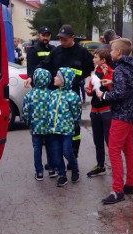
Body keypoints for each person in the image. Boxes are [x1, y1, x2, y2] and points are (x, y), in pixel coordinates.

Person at [39, 24, 95, 169]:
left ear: (72, 38)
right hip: (56, 94)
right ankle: (56, 160)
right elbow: (45, 65)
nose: (62, 42)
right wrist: (33, 76)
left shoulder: (82, 52)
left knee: (74, 127)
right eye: (60, 39)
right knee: (56, 126)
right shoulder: (56, 51)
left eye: (65, 39)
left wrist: (82, 77)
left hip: (73, 93)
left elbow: (91, 66)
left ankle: (73, 157)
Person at [94, 38, 133, 205]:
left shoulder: (120, 69)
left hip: (120, 115)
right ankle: (132, 184)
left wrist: (104, 95)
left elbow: (119, 94)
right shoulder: (130, 66)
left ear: (119, 52)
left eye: (112, 50)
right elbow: (128, 87)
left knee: (114, 150)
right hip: (129, 113)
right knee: (129, 149)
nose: (110, 52)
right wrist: (112, 81)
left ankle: (117, 190)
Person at [49, 68, 82, 187]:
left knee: (67, 151)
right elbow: (49, 111)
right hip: (54, 130)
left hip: (67, 129)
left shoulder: (73, 96)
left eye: (57, 76)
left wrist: (71, 123)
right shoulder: (53, 94)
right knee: (57, 153)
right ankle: (62, 175)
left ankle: (74, 168)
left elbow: (76, 113)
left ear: (64, 80)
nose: (54, 78)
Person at [86, 48, 114, 178]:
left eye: (96, 57)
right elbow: (92, 90)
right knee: (97, 140)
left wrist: (107, 74)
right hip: (94, 110)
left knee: (109, 140)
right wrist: (88, 90)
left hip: (106, 111)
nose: (93, 59)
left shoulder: (111, 71)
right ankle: (100, 165)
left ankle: (115, 166)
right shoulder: (95, 72)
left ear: (103, 60)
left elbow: (111, 89)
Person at [23, 68, 53, 181]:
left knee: (37, 148)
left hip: (35, 127)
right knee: (50, 147)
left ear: (35, 79)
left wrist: (27, 122)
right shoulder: (52, 94)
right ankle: (51, 169)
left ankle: (39, 172)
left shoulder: (30, 95)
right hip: (49, 127)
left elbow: (26, 111)